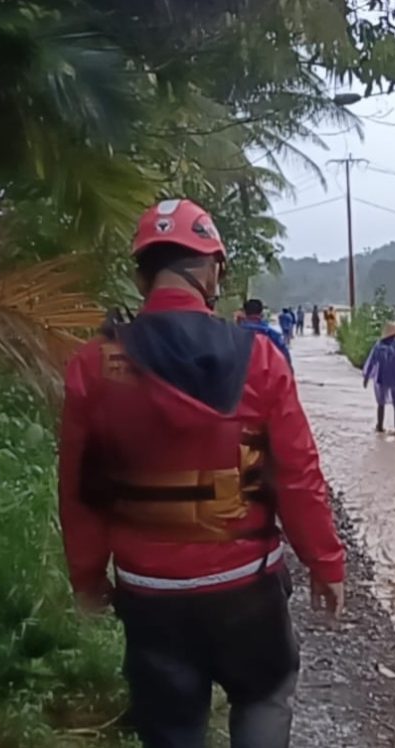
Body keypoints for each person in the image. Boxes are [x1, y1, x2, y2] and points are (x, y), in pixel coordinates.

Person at [57, 198, 346, 748]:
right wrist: (325, 561)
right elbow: (297, 475)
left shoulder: (93, 364)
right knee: (264, 694)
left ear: (143, 274)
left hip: (149, 594)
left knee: (171, 726)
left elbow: (80, 488)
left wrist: (87, 575)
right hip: (246, 587)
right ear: (212, 269)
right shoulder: (260, 357)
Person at [362, 322, 395, 434]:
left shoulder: (378, 346)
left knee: (381, 403)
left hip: (381, 377)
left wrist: (366, 377)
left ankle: (380, 426)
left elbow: (371, 362)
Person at [240, 299, 290, 364]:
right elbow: (284, 356)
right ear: (261, 312)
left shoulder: (233, 333)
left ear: (244, 312)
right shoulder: (272, 334)